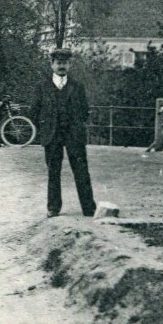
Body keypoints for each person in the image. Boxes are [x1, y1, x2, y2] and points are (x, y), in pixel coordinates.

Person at [31, 48, 97, 218]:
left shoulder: (77, 86)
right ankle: (53, 208)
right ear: (52, 64)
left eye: (65, 63)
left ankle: (89, 208)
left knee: (81, 171)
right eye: (58, 63)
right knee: (53, 172)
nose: (62, 66)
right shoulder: (42, 86)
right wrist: (44, 127)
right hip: (51, 135)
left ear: (70, 65)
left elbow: (84, 110)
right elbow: (34, 111)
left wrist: (75, 125)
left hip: (73, 135)